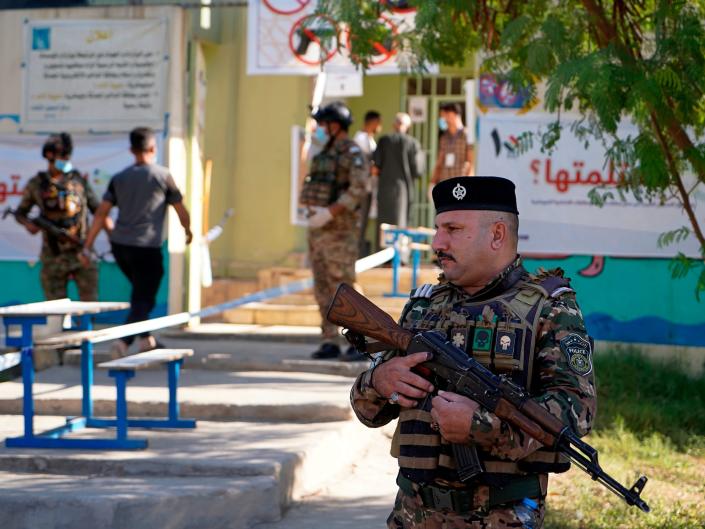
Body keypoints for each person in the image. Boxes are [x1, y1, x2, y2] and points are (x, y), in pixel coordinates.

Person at [350, 176, 597, 528]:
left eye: (452, 229)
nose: (437, 241)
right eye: (438, 229)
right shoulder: (424, 306)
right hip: (413, 515)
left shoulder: (550, 310)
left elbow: (578, 411)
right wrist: (378, 380)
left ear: (497, 234)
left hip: (502, 515)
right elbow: (367, 412)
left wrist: (483, 425)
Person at [81, 127, 192, 356]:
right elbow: (180, 209)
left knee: (140, 294)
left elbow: (101, 214)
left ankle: (146, 340)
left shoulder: (119, 178)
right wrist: (188, 230)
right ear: (153, 148)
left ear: (132, 150)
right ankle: (123, 342)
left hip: (121, 247)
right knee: (145, 298)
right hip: (146, 247)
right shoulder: (163, 176)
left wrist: (87, 246)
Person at [300, 102, 370, 361]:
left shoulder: (351, 152)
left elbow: (358, 188)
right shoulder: (324, 152)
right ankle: (329, 339)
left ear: (335, 124)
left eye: (323, 123)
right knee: (323, 286)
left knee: (344, 286)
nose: (320, 129)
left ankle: (360, 339)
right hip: (318, 231)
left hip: (340, 231)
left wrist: (331, 211)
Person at [15, 132, 107, 301]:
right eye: (62, 155)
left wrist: (88, 244)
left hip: (82, 253)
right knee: (55, 312)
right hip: (53, 256)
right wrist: (29, 225)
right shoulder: (37, 183)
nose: (65, 159)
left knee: (88, 308)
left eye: (67, 155)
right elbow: (21, 212)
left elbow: (99, 212)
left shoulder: (78, 181)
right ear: (49, 156)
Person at [373, 112, 421, 250]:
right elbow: (417, 170)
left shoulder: (384, 141)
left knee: (384, 223)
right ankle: (400, 255)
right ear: (408, 126)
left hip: (385, 188)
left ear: (394, 124)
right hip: (404, 190)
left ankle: (383, 255)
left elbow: (376, 167)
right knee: (402, 221)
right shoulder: (413, 143)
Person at [353, 110, 381, 257]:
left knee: (363, 222)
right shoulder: (360, 138)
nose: (380, 127)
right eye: (379, 123)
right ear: (373, 122)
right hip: (361, 187)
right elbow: (360, 163)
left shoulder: (370, 139)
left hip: (369, 187)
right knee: (359, 222)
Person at [429, 103, 474, 194]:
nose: (443, 119)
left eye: (445, 116)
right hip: (445, 183)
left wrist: (469, 184)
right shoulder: (444, 137)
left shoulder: (467, 135)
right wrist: (432, 182)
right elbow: (439, 162)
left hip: (462, 185)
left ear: (454, 114)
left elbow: (471, 162)